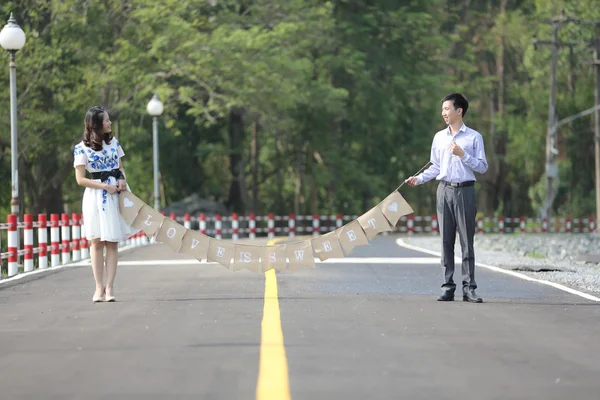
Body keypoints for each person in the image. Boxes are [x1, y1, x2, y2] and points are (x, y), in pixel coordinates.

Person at [405, 93, 488, 303]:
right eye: (442, 110)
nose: (443, 113)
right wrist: (419, 179)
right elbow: (435, 166)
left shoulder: (474, 137)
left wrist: (463, 155)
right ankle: (447, 286)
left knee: (467, 242)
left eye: (447, 109)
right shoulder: (439, 137)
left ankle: (469, 288)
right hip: (444, 191)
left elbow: (483, 167)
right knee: (445, 241)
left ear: (459, 111)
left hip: (465, 191)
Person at [73, 106, 134, 303]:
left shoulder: (113, 143)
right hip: (95, 197)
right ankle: (98, 287)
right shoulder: (81, 148)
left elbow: (120, 167)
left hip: (114, 194)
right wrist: (103, 186)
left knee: (112, 242)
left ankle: (110, 287)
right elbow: (80, 179)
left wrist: (122, 179)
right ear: (97, 125)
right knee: (97, 241)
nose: (109, 123)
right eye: (106, 120)